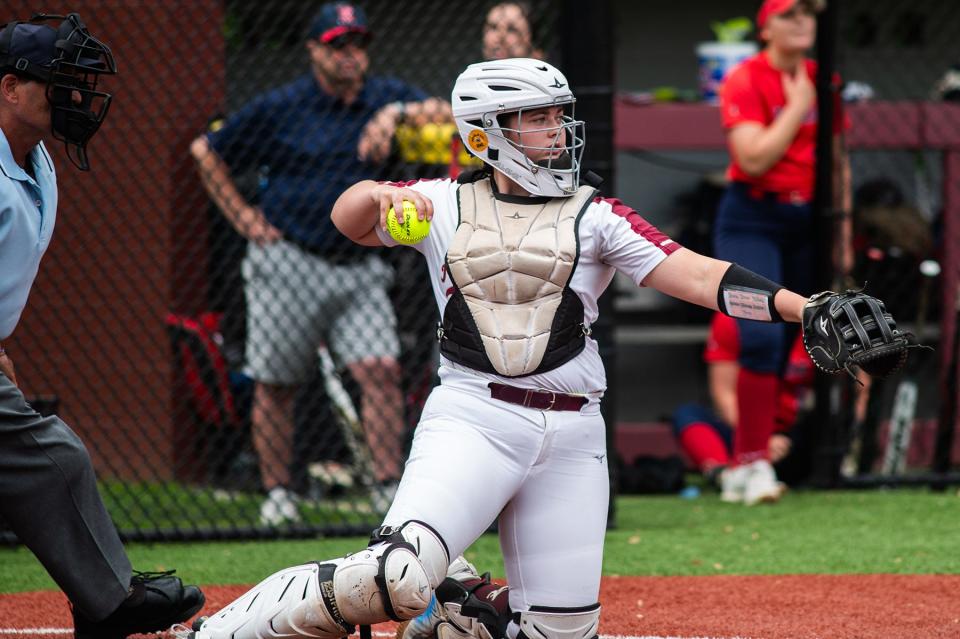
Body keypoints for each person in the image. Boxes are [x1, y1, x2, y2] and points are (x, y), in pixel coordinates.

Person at [184, 56, 906, 639]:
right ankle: (218, 633)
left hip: (571, 434)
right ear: (483, 133)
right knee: (394, 578)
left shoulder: (595, 213)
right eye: (535, 118)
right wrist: (375, 193)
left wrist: (802, 306)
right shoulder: (437, 202)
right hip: (473, 417)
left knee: (559, 631)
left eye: (558, 116)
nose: (556, 132)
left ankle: (462, 612)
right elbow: (349, 221)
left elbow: (694, 272)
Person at [190, 2, 450, 524]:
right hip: (290, 259)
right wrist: (244, 219)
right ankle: (278, 494)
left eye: (357, 44)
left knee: (380, 369)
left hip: (359, 266)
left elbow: (446, 113)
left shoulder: (383, 95)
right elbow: (204, 150)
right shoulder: (283, 106)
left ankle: (384, 489)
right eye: (338, 45)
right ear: (313, 51)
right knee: (276, 382)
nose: (351, 55)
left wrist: (395, 113)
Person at [0, 13, 204, 638]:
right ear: (11, 89)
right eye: (58, 83)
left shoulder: (41, 168)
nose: (76, 97)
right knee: (53, 456)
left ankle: (105, 600)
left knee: (48, 457)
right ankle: (109, 602)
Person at [713, 0, 851, 502]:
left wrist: (844, 230)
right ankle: (747, 464)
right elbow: (751, 158)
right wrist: (796, 107)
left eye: (809, 15)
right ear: (766, 25)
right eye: (791, 14)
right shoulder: (746, 78)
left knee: (816, 333)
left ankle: (807, 454)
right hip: (753, 216)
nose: (803, 23)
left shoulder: (822, 76)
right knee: (760, 338)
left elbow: (837, 161)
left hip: (810, 219)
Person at [672, 312, 814, 503]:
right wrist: (759, 440)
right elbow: (724, 394)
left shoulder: (818, 321)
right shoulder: (732, 315)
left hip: (790, 434)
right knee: (687, 414)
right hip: (745, 430)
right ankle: (725, 476)